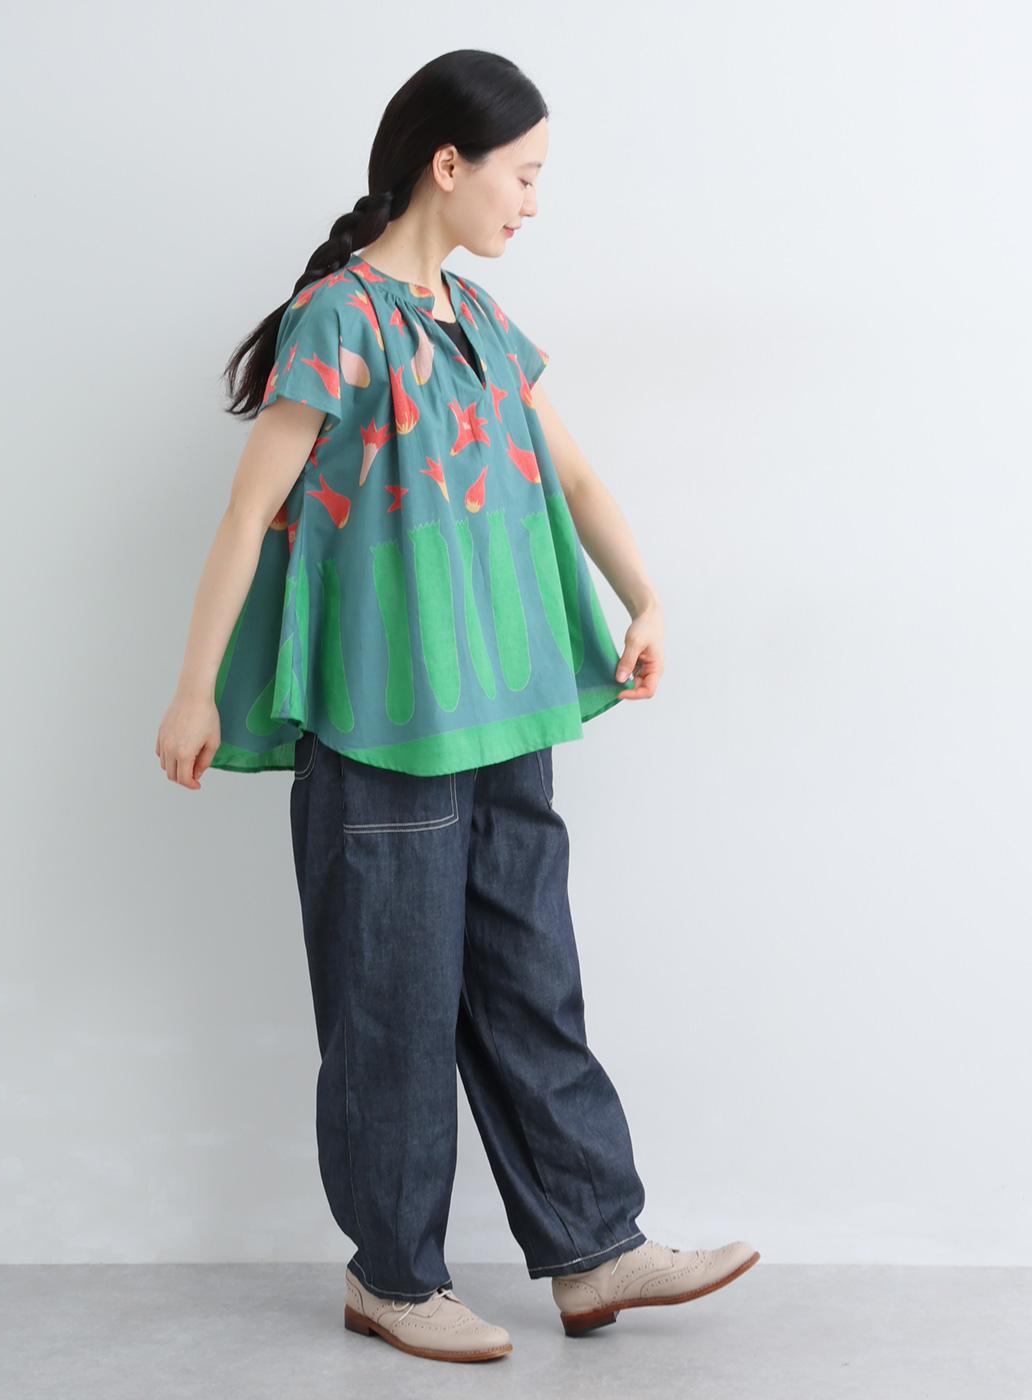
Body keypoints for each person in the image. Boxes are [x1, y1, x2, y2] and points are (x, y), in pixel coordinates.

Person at [156, 48, 759, 1365]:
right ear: (450, 165)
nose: (534, 201)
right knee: (393, 1010)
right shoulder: (338, 322)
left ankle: (595, 1249)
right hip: (386, 731)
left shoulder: (480, 320)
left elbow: (574, 476)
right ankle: (392, 1276)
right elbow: (249, 515)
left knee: (532, 986)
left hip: (507, 721)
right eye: (523, 176)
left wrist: (646, 597)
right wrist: (195, 690)